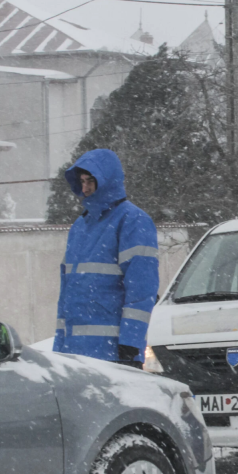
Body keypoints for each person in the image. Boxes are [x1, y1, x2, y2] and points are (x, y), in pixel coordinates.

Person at [54, 149, 158, 368]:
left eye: (91, 180)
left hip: (114, 354)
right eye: (82, 181)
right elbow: (67, 294)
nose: (85, 188)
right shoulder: (79, 227)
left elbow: (141, 288)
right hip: (75, 355)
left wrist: (131, 342)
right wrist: (60, 345)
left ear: (107, 180)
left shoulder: (133, 220)